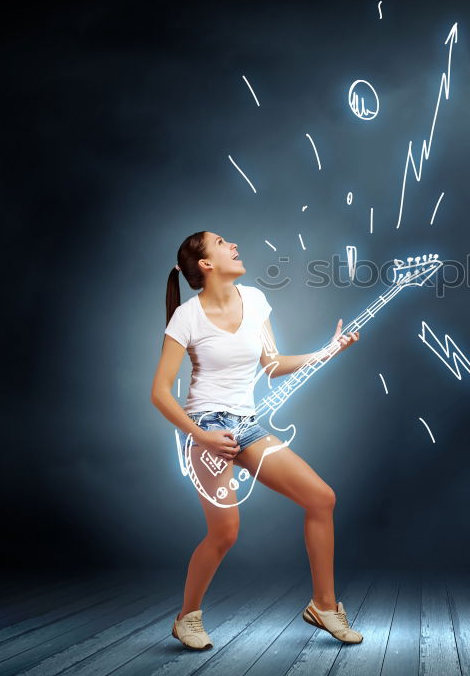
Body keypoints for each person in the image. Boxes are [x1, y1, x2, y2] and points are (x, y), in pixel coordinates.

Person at [150, 230, 363, 649]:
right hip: (206, 428)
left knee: (321, 498)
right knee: (225, 532)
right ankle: (186, 618)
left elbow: (272, 363)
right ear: (206, 265)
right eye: (222, 243)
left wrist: (326, 352)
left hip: (248, 426)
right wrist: (202, 436)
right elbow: (159, 391)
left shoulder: (255, 300)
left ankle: (324, 605)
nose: (234, 245)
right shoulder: (186, 318)